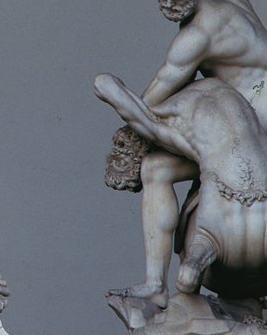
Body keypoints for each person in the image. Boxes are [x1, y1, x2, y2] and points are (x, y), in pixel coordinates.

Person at [99, 0, 267, 307]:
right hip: (248, 104)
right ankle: (155, 285)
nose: (170, 5)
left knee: (155, 164)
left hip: (257, 114)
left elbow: (152, 103)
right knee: (158, 169)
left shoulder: (196, 38)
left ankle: (165, 279)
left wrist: (126, 138)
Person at [95, 71, 267, 302]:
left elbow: (107, 88)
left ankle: (156, 283)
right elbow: (107, 84)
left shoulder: (165, 128)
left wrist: (135, 112)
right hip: (258, 199)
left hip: (222, 223)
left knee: (154, 170)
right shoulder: (208, 99)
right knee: (157, 168)